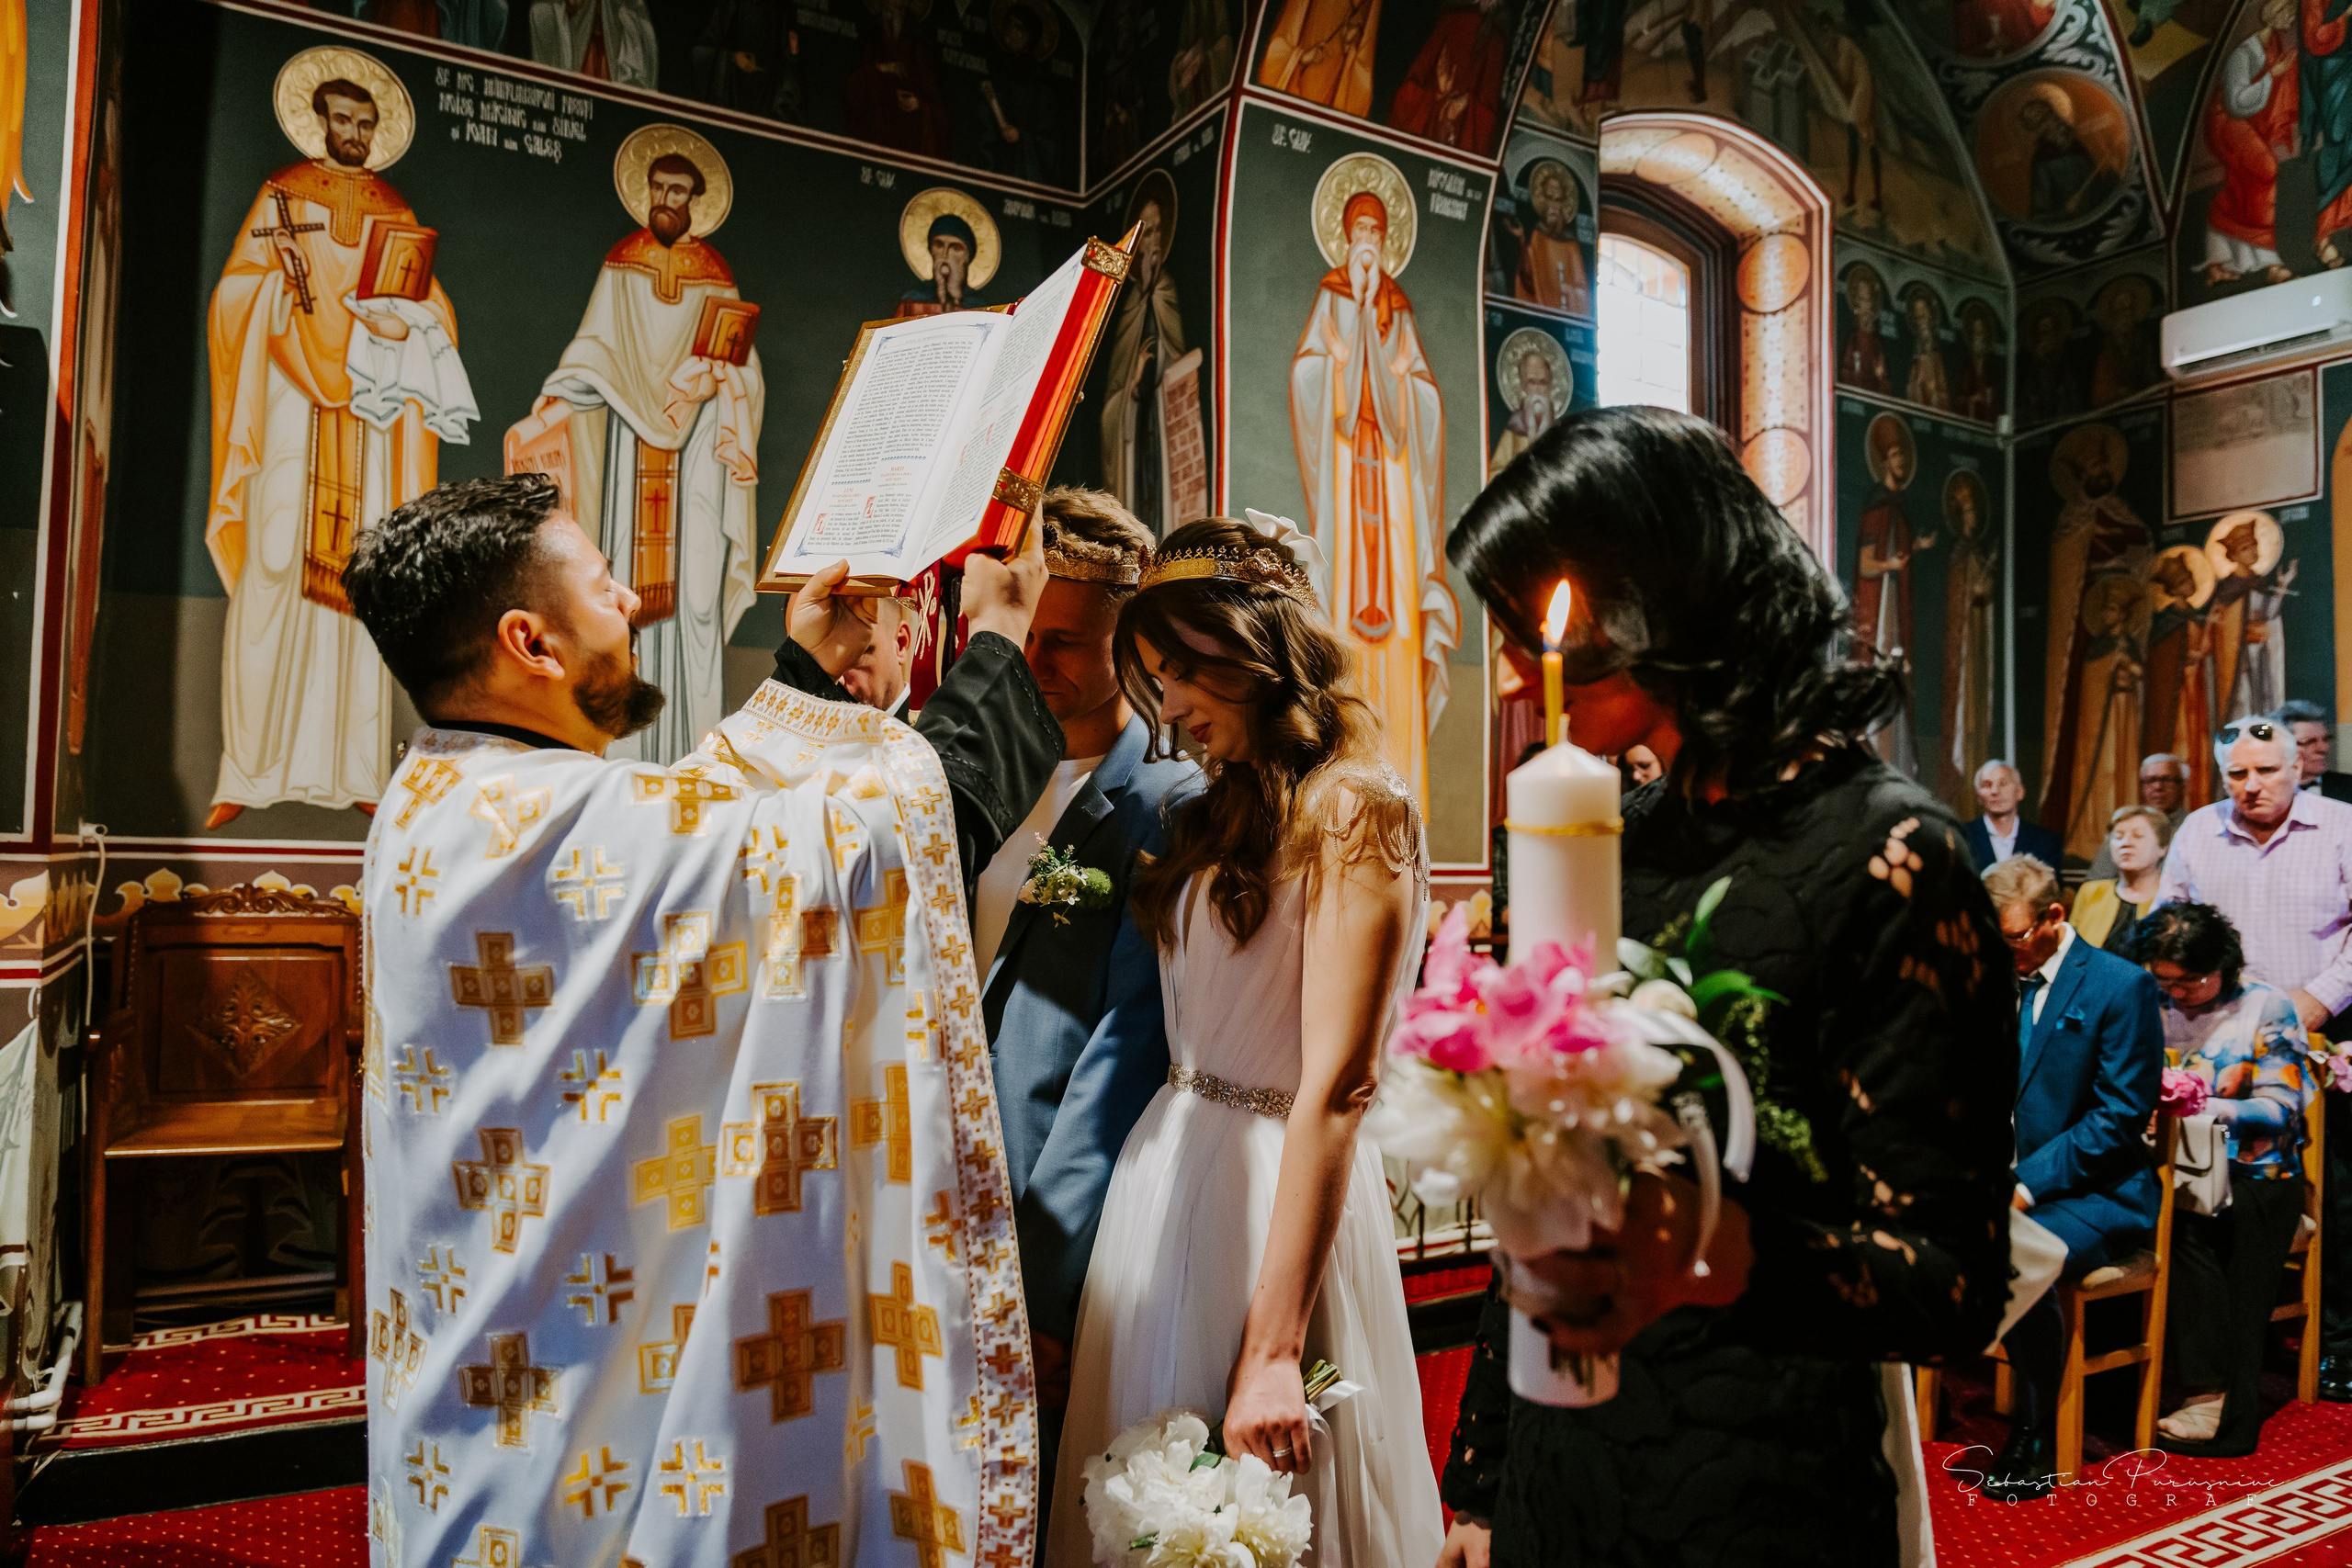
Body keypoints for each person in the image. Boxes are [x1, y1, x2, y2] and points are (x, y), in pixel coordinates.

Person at [340, 475, 1041, 1565]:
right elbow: (865, 848)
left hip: (501, 1397)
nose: (630, 600)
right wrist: (999, 641)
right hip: (565, 1434)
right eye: (600, 581)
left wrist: (806, 671)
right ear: (531, 641)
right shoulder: (550, 824)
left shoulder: (448, 800)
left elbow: (697, 823)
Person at [1438, 407, 2015, 1566]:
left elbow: (1952, 1288)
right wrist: (1485, 1485)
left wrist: (1728, 1254)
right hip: (1566, 1467)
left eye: (1530, 623)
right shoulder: (1599, 838)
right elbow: (1547, 1202)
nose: (1511, 669)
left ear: (1664, 590)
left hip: (1758, 1486)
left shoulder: (1891, 857)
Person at [1044, 513, 1444, 1565]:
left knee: (1264, 1506)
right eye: (1150, 675)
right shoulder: (1210, 811)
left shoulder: (1357, 810)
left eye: (1181, 669)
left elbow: (1340, 1086)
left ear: (1255, 647)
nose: (1166, 704)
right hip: (1164, 1170)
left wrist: (1271, 1352)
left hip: (1275, 1188)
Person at [2159, 715, 2352, 1400]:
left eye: (2266, 770)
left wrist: (2320, 997)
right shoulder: (2197, 830)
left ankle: (2337, 1344)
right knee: (2210, 1198)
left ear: (2297, 765)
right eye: (2237, 773)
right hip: (2215, 1046)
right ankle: (2239, 1337)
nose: (2251, 785)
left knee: (2336, 1197)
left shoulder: (2338, 825)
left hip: (2320, 1028)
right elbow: (2168, 921)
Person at [1980, 854, 2163, 1500]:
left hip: (2099, 1190)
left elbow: (2116, 1119)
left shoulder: (2120, 985)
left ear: (2054, 916)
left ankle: (2035, 1426)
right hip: (2007, 1178)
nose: (2004, 953)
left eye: (2012, 937)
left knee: (2017, 1249)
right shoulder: (1996, 976)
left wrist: (2025, 1184)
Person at [2126, 902, 2315, 1455]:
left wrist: (2196, 1103)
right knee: (2150, 1217)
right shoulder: (2151, 1001)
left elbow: (2282, 1109)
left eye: (2190, 982)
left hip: (2256, 1172)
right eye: (2166, 981)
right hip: (2168, 1168)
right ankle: (2126, 1382)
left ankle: (2215, 1395)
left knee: (2194, 1231)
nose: (2178, 994)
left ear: (2223, 967)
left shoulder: (2265, 1006)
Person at [2074, 806, 2171, 950]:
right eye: (2118, 837)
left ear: (2163, 848)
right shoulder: (2091, 892)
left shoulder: (2171, 898)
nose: (2125, 843)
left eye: (2138, 836)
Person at [2084, 751, 2189, 880]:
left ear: (2184, 786)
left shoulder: (2194, 828)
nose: (2158, 787)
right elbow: (2097, 880)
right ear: (2142, 787)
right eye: (2150, 780)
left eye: (2167, 779)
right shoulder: (2124, 828)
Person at [1962, 758, 2064, 872]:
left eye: (2003, 784)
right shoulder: (1962, 837)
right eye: (1987, 785)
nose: (1995, 791)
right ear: (1979, 797)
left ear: (2020, 792)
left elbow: (2051, 888)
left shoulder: (2046, 842)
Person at [2278, 697, 2352, 803]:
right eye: (2309, 741)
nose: (2323, 748)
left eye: (2326, 739)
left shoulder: (2348, 787)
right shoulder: (2266, 791)